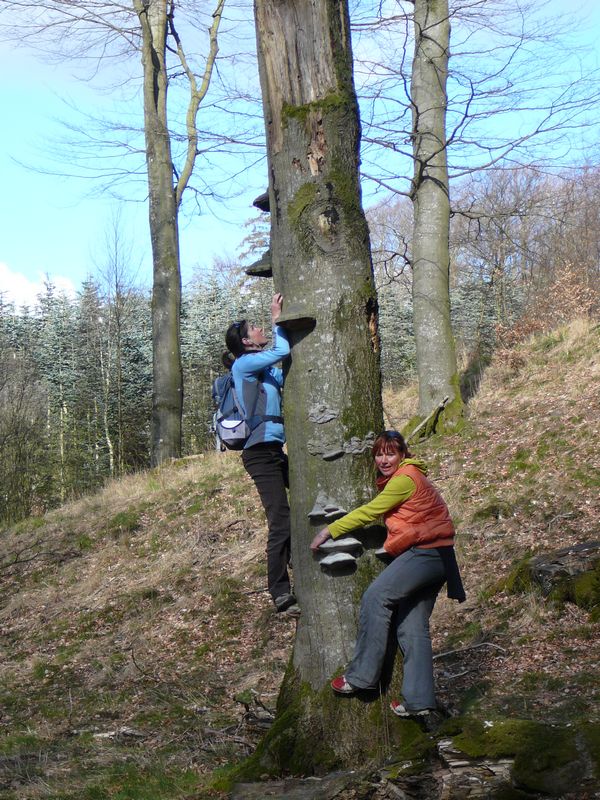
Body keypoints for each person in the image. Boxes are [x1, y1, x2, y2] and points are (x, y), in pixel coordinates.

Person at [310, 430, 465, 717]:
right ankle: (420, 702)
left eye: (390, 453)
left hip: (426, 553)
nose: (383, 460)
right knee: (412, 627)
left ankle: (361, 677)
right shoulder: (410, 476)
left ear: (403, 454)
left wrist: (329, 530)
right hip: (440, 556)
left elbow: (371, 512)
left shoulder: (404, 479)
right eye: (379, 454)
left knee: (376, 597)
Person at [224, 293, 298, 615]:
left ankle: (297, 555)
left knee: (301, 497)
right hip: (259, 453)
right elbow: (282, 350)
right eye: (254, 328)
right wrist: (277, 317)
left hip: (273, 450)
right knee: (279, 519)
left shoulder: (263, 371)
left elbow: (285, 372)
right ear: (245, 341)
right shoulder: (244, 364)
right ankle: (280, 593)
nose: (259, 330)